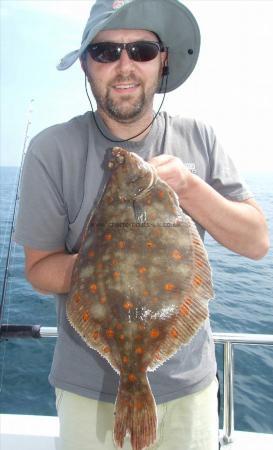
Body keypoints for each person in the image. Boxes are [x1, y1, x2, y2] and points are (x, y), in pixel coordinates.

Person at [14, 0, 269, 449]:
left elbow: (256, 243)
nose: (124, 65)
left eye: (142, 50)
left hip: (191, 387)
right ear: (87, 65)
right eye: (106, 52)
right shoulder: (52, 149)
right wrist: (112, 269)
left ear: (163, 60)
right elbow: (38, 270)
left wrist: (188, 187)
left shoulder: (200, 137)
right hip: (85, 391)